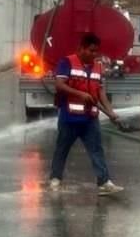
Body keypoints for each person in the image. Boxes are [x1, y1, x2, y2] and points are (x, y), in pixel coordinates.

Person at [49, 33, 125, 195]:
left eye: (96, 51)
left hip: (90, 118)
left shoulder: (98, 67)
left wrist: (111, 112)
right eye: (91, 50)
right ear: (81, 48)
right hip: (69, 117)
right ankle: (55, 178)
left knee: (96, 150)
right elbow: (59, 85)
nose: (94, 54)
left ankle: (104, 182)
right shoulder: (67, 62)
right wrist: (80, 94)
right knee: (62, 149)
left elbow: (101, 91)